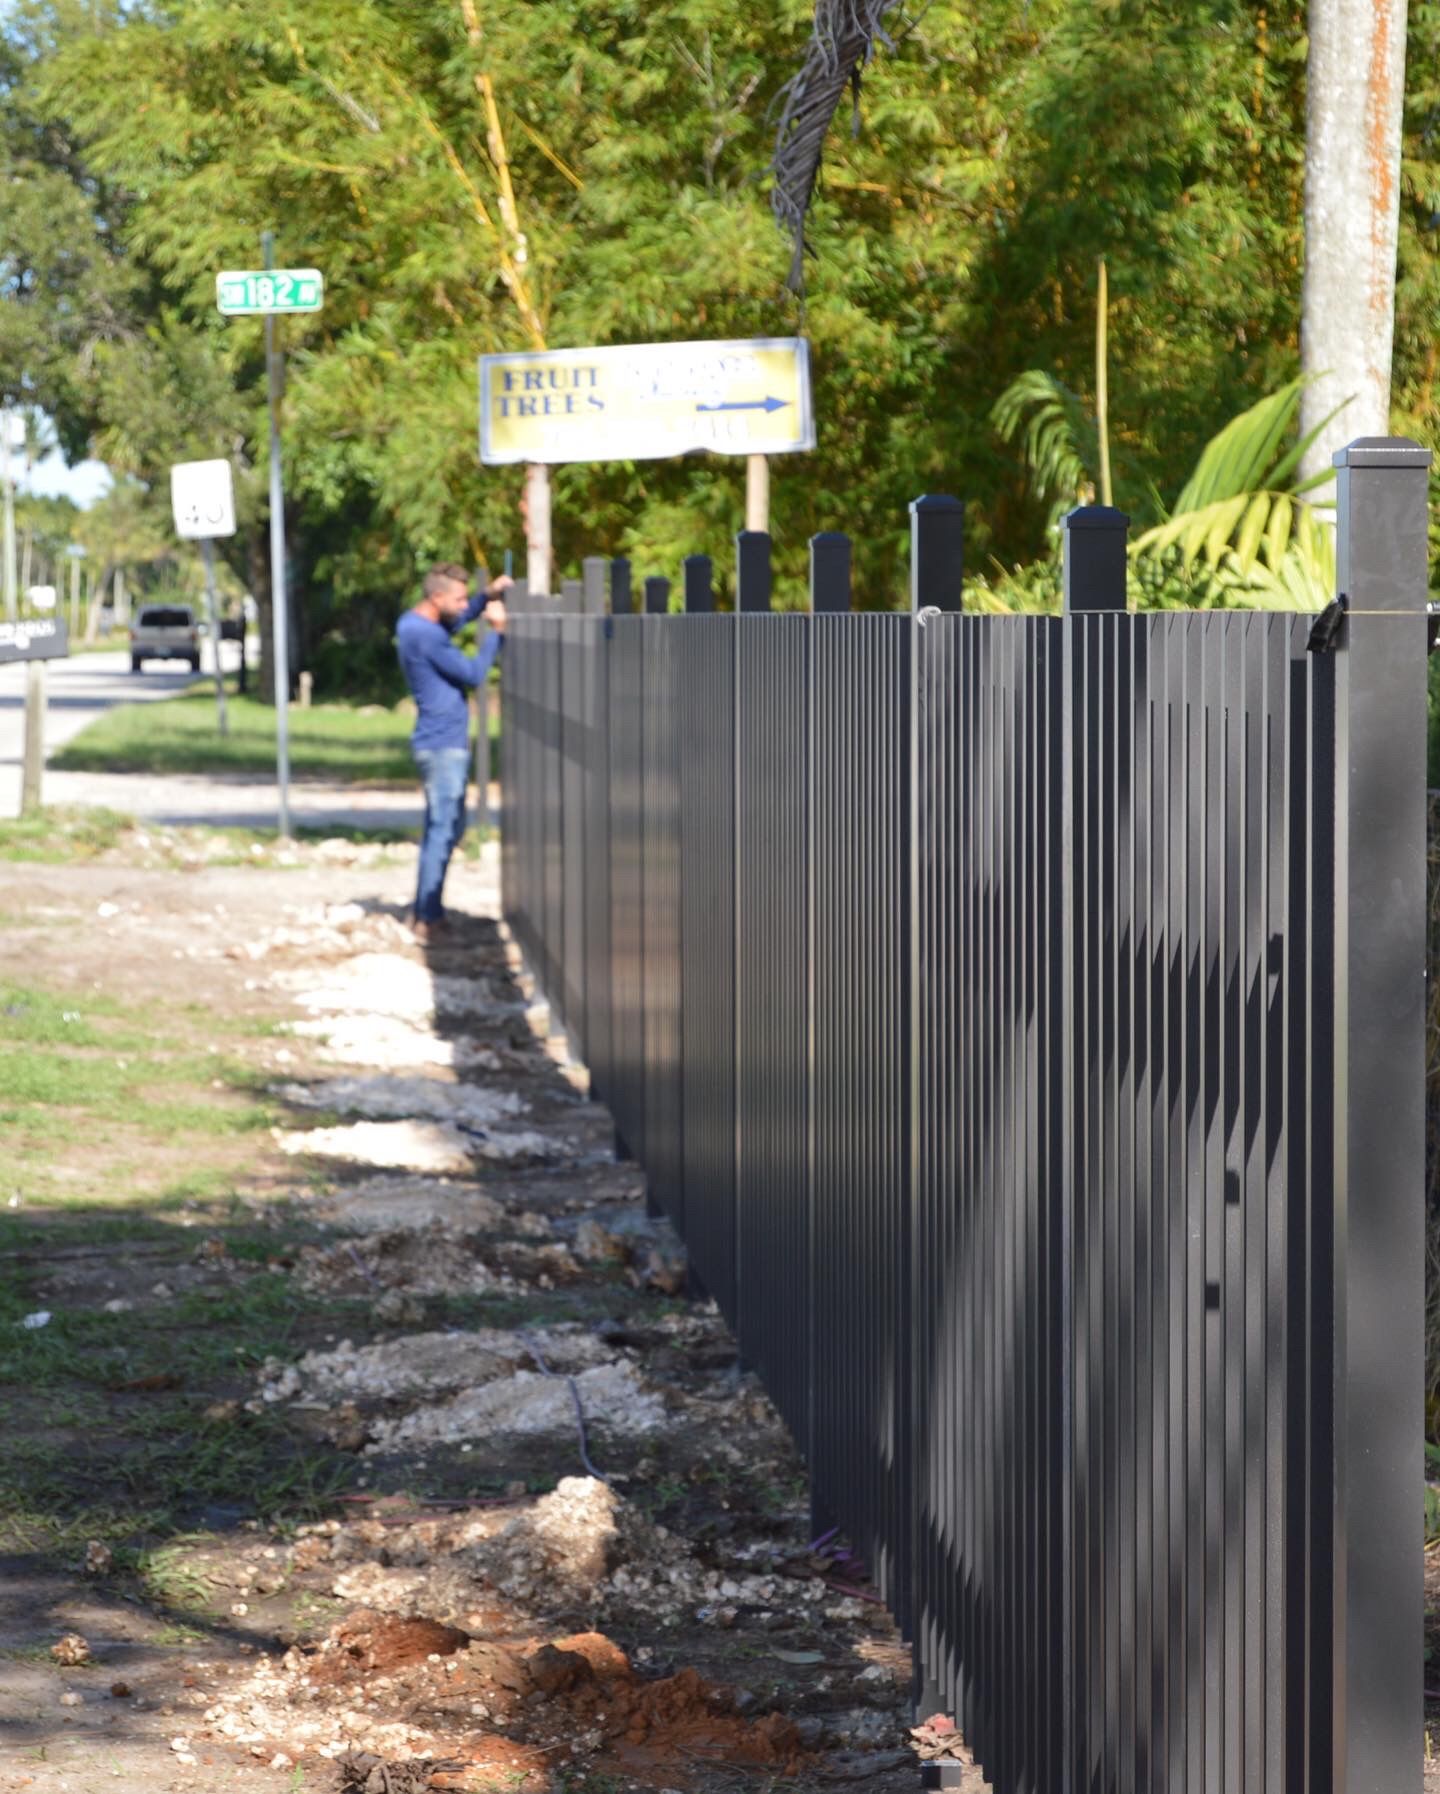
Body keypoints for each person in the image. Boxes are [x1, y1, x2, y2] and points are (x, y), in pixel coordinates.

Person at [396, 560, 512, 940]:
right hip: (442, 746)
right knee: (443, 829)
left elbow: (456, 621)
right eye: (460, 599)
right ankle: (428, 918)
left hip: (439, 743)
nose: (464, 607)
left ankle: (427, 912)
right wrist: (497, 632)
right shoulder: (427, 636)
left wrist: (485, 597)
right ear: (436, 597)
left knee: (443, 828)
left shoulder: (416, 625)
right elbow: (474, 674)